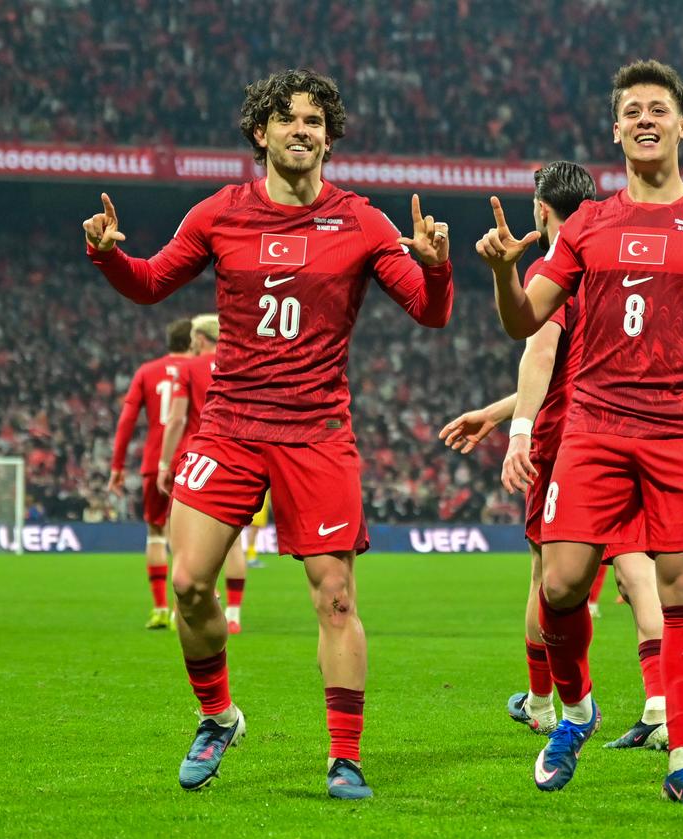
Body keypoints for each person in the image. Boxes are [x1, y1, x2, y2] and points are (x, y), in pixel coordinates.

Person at [83, 68, 454, 797]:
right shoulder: (220, 212)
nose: (301, 131)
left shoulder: (363, 222)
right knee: (188, 584)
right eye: (287, 120)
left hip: (316, 431)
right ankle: (218, 716)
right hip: (230, 426)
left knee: (336, 596)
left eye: (314, 121)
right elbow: (152, 281)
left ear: (329, 135)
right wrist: (107, 256)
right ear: (261, 132)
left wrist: (437, 271)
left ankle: (344, 756)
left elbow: (427, 310)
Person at [477, 60, 683, 805]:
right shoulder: (590, 222)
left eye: (658, 108)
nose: (644, 119)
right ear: (616, 129)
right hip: (595, 424)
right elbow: (525, 320)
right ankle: (577, 708)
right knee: (560, 585)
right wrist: (504, 274)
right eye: (631, 110)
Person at [440, 161, 668, 750]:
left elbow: (542, 355)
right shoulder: (614, 262)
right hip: (629, 429)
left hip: (569, 442)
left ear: (541, 209)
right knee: (638, 566)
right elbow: (573, 369)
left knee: (547, 576)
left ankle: (544, 703)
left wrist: (518, 430)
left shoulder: (556, 265)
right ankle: (661, 705)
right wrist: (497, 413)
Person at [159, 314, 250, 633]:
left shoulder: (189, 369)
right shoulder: (239, 363)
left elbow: (177, 419)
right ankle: (235, 613)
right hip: (238, 454)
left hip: (197, 457)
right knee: (234, 543)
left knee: (184, 541)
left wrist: (162, 463)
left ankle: (200, 600)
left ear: (199, 338)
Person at [110, 319, 193, 630]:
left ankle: (159, 608)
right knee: (185, 541)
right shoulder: (201, 369)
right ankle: (178, 612)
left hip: (154, 461)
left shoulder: (147, 371)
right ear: (193, 342)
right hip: (192, 462)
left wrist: (117, 466)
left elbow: (127, 420)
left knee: (156, 535)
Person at [244, 494, 270, 569]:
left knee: (254, 530)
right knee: (253, 530)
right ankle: (251, 558)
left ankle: (251, 556)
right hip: (257, 501)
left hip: (262, 501)